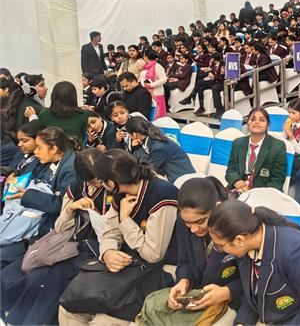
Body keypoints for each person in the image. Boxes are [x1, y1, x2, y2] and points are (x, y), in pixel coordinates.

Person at [58, 149, 179, 325]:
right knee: (69, 307)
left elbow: (153, 254)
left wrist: (125, 219)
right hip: (131, 263)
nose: (100, 186)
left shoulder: (162, 195)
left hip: (160, 269)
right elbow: (110, 232)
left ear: (111, 182)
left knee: (101, 321)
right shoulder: (120, 193)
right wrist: (108, 252)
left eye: (101, 181)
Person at [0, 149, 111, 325]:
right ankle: (18, 318)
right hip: (73, 240)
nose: (99, 184)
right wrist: (71, 209)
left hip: (97, 247)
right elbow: (60, 227)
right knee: (24, 272)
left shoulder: (115, 187)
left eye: (101, 179)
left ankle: (33, 321)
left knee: (51, 276)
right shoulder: (76, 186)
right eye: (93, 181)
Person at [206, 200, 300, 324]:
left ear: (239, 240)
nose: (221, 250)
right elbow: (255, 294)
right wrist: (242, 323)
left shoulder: (296, 252)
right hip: (278, 315)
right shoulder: (247, 246)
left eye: (220, 245)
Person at [138, 177, 240, 325]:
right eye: (188, 223)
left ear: (217, 207)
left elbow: (253, 277)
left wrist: (228, 292)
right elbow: (184, 260)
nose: (193, 229)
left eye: (200, 221)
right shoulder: (182, 221)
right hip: (199, 294)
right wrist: (183, 281)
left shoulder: (236, 225)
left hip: (235, 301)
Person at [1, 127, 77, 266]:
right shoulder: (54, 163)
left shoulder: (70, 169)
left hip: (53, 228)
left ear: (53, 149)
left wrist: (27, 195)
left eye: (39, 148)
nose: (35, 152)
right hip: (40, 221)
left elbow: (61, 205)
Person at [225, 108, 287, 192]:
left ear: (268, 125)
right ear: (247, 124)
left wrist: (257, 193)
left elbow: (277, 180)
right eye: (253, 119)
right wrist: (236, 181)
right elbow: (230, 170)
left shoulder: (277, 146)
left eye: (262, 120)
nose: (256, 122)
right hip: (238, 190)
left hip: (263, 193)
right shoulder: (238, 143)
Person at [125, 116, 195, 183]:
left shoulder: (158, 147)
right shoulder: (153, 136)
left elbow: (147, 168)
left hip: (182, 180)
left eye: (129, 134)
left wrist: (135, 149)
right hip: (171, 174)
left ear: (134, 134)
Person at [140, 50, 168, 119]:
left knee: (158, 111)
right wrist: (143, 84)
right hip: (147, 92)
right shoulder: (145, 67)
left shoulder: (157, 66)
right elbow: (141, 78)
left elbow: (164, 79)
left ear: (146, 56)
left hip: (157, 92)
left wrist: (151, 85)